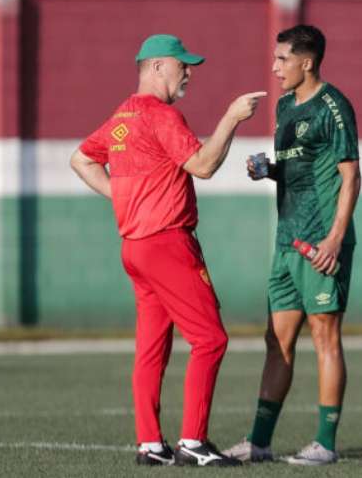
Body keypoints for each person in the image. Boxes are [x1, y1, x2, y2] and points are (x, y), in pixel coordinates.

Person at [70, 34, 265, 467]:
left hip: (136, 248)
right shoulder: (161, 115)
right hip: (167, 243)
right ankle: (193, 441)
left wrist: (124, 200)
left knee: (151, 348)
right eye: (183, 65)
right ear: (157, 66)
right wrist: (232, 118)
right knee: (210, 339)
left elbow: (81, 159)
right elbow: (204, 166)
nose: (189, 73)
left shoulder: (122, 117)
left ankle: (150, 445)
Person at [224, 25, 361, 466]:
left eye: (282, 59)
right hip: (286, 242)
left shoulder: (334, 106)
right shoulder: (284, 106)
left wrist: (335, 239)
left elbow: (350, 176)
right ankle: (259, 442)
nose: (274, 67)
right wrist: (267, 168)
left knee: (325, 336)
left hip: (321, 243)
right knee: (276, 340)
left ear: (307, 62)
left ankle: (325, 443)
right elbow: (296, 163)